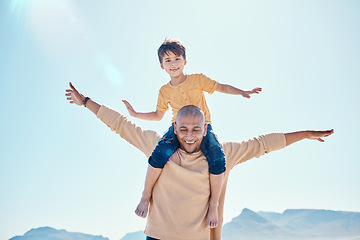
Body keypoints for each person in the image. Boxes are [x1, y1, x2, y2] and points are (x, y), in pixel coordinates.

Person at [65, 82, 334, 240]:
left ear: (206, 129)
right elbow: (120, 124)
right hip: (157, 237)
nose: (189, 136)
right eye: (183, 129)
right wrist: (85, 101)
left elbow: (264, 144)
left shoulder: (223, 152)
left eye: (196, 129)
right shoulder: (158, 146)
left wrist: (306, 134)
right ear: (175, 128)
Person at [122, 39, 262, 227]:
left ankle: (213, 204)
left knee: (218, 158)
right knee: (159, 153)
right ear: (161, 65)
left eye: (177, 59)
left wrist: (242, 92)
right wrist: (135, 114)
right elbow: (158, 115)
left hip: (203, 128)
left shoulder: (197, 79)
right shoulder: (164, 91)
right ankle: (145, 196)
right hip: (177, 128)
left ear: (185, 61)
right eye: (168, 60)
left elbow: (220, 87)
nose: (173, 64)